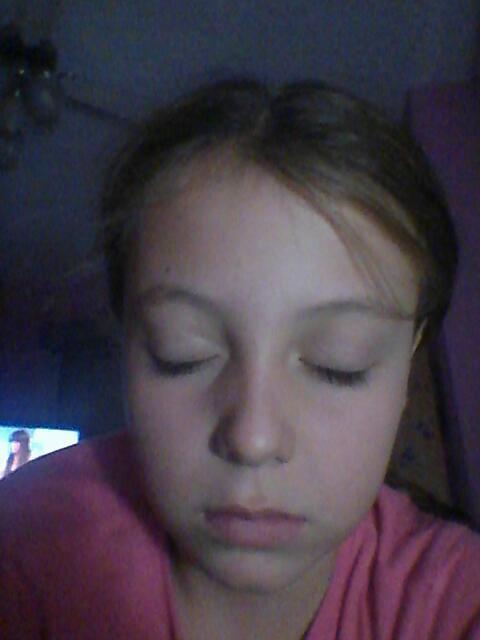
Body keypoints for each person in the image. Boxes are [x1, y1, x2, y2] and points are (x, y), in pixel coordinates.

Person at [0, 78, 479, 640]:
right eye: (182, 354)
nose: (253, 439)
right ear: (127, 343)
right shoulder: (27, 551)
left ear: (409, 363)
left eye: (337, 365)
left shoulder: (453, 598)